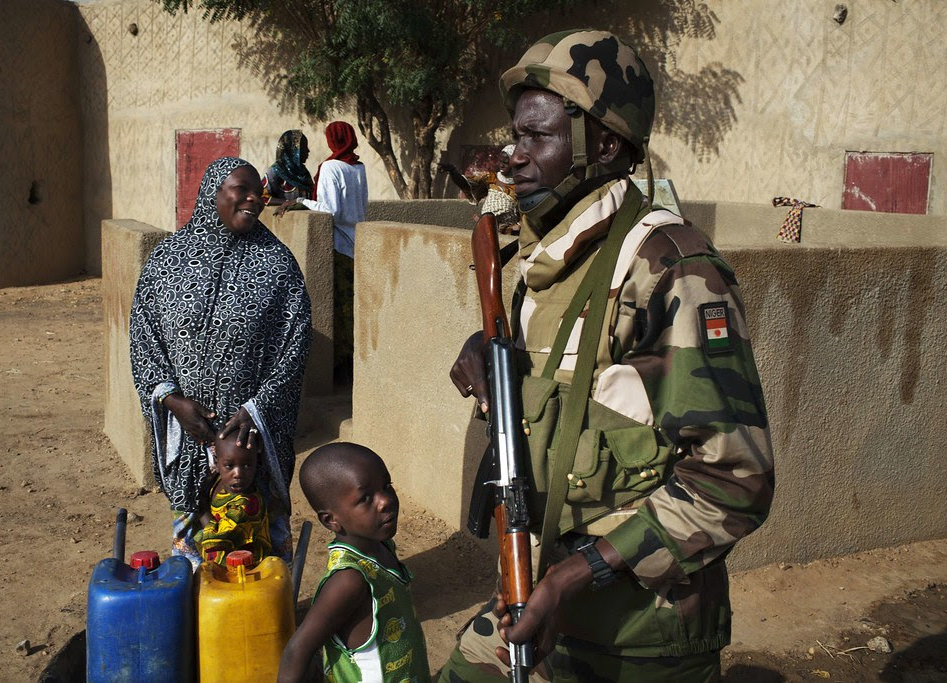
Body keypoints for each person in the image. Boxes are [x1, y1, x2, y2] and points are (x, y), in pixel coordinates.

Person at [440, 30, 774, 682]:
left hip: (642, 630)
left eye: (539, 137)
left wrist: (577, 574)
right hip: (536, 587)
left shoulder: (670, 264)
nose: (516, 155)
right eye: (516, 135)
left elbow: (735, 480)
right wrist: (483, 348)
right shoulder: (531, 249)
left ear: (606, 145)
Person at [129, 156, 312, 569]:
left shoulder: (278, 267)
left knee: (257, 550)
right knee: (201, 550)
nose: (254, 198)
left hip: (251, 441)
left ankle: (270, 628)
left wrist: (256, 409)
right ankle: (199, 618)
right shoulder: (166, 262)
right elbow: (144, 338)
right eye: (240, 189)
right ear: (213, 193)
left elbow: (295, 344)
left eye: (258, 192)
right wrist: (173, 402)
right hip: (192, 432)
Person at [278, 442, 430, 683]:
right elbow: (298, 650)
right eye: (366, 498)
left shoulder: (381, 547)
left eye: (386, 485)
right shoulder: (350, 580)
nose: (385, 501)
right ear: (331, 520)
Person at [279, 121, 368, 383]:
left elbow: (329, 210)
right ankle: (352, 367)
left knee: (338, 313)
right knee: (352, 310)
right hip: (357, 242)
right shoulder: (358, 167)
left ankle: (339, 370)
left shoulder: (331, 167)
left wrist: (299, 201)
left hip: (338, 243)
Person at [194, 432, 271, 566]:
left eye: (247, 465)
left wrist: (201, 509)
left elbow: (217, 539)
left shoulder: (247, 505)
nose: (238, 474)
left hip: (243, 571)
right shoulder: (217, 483)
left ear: (256, 464)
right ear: (217, 464)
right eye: (229, 466)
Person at [438, 144, 520, 234]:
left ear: (514, 164)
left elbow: (527, 214)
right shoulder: (491, 178)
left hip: (508, 233)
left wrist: (517, 227)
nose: (501, 165)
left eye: (506, 163)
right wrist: (452, 171)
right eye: (500, 161)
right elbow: (466, 184)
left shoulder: (521, 186)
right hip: (486, 229)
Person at [264, 130, 314, 205]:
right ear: (292, 150)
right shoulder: (276, 171)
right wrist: (289, 203)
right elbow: (262, 197)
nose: (308, 151)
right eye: (303, 147)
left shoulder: (303, 173)